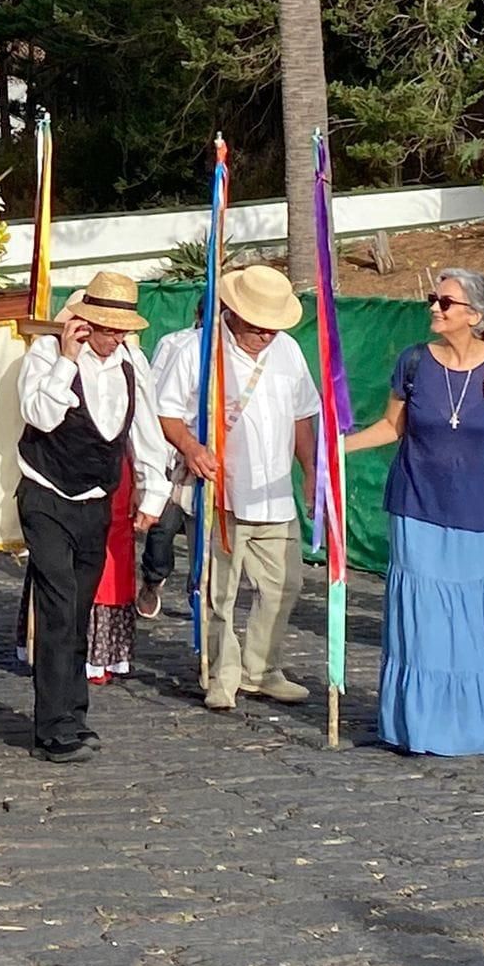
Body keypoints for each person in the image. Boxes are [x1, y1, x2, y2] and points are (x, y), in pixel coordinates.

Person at [346, 267, 484, 756]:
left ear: (475, 315)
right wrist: (338, 449)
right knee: (425, 627)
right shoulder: (414, 361)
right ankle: (423, 726)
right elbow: (390, 426)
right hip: (418, 507)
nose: (434, 308)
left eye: (445, 302)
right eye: (433, 299)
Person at [16, 273, 170, 762]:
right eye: (105, 327)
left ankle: (73, 715)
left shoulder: (133, 364)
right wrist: (66, 360)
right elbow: (40, 415)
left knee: (79, 610)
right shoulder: (45, 354)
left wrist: (152, 492)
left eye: (121, 329)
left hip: (96, 501)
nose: (114, 337)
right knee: (58, 608)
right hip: (45, 496)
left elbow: (144, 431)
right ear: (84, 321)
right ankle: (52, 728)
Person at [158, 264, 318, 713]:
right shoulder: (196, 350)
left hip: (275, 494)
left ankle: (262, 669)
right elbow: (165, 411)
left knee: (284, 585)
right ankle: (221, 674)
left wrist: (309, 472)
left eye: (272, 326)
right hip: (219, 490)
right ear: (231, 312)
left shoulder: (287, 350)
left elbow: (303, 415)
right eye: (257, 325)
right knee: (218, 590)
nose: (266, 334)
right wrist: (191, 447)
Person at [136, 298, 203, 621]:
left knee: (204, 534)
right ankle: (152, 579)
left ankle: (199, 591)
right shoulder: (176, 345)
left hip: (214, 458)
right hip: (175, 454)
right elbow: (157, 397)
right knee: (163, 528)